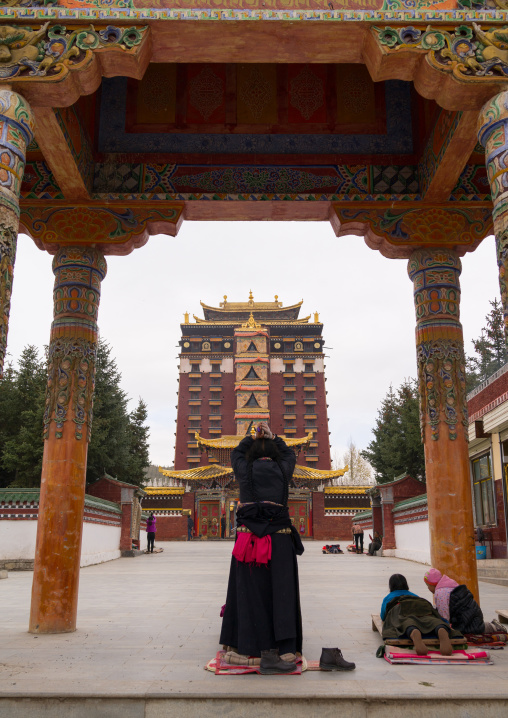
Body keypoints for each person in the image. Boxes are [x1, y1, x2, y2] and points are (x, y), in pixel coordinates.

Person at [220, 422, 355, 674]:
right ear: (273, 452)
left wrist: (252, 438)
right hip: (279, 540)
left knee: (249, 592)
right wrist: (273, 436)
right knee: (281, 593)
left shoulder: (244, 468)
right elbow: (289, 453)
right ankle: (285, 649)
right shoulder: (283, 468)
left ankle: (247, 647)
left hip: (249, 540)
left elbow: (236, 452)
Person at [381, 573, 462, 655]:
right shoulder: (414, 595)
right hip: (420, 604)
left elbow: (383, 616)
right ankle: (440, 628)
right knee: (429, 619)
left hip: (399, 606)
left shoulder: (389, 597)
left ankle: (413, 631)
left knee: (406, 622)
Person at [424, 568, 507, 635]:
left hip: (467, 616)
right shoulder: (447, 584)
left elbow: (444, 615)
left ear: (433, 584)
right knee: (475, 625)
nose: (428, 589)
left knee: (473, 629)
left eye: (428, 586)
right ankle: (491, 624)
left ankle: (494, 627)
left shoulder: (440, 592)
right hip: (471, 613)